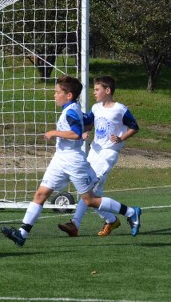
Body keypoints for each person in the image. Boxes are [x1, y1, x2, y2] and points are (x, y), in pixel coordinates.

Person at [1, 75, 141, 247]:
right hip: (60, 158)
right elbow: (84, 126)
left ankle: (130, 212)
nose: (54, 95)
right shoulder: (75, 109)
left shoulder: (72, 111)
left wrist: (54, 132)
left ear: (68, 95)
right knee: (40, 194)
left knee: (90, 199)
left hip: (74, 161)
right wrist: (84, 130)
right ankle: (22, 234)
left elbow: (75, 133)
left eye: (57, 92)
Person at [58, 75, 139, 237]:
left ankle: (75, 224)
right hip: (94, 152)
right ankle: (112, 219)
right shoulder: (95, 108)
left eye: (97, 89)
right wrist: (83, 132)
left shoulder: (120, 109)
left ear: (107, 90)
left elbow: (134, 127)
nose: (94, 92)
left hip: (108, 153)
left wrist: (121, 138)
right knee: (91, 194)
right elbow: (88, 124)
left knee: (88, 189)